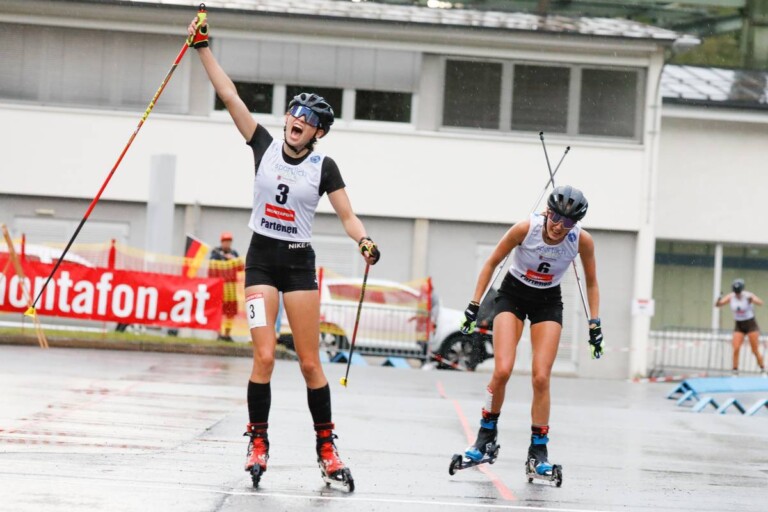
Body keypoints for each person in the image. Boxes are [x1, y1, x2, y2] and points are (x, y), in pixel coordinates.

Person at [187, 16, 380, 491]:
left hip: (297, 264)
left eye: (309, 120)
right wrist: (202, 48)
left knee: (310, 363)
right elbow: (230, 96)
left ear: (318, 133)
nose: (299, 121)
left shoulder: (324, 166)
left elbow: (348, 216)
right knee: (266, 356)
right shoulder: (264, 145)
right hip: (261, 260)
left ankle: (327, 449)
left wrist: (363, 241)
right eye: (295, 113)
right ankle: (258, 441)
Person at [457, 185, 602, 480]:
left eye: (568, 222)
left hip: (548, 301)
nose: (560, 227)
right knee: (502, 370)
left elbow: (591, 282)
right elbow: (492, 262)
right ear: (547, 212)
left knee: (541, 377)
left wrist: (595, 323)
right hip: (513, 295)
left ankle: (538, 452)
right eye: (556, 218)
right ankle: (485, 438)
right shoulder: (525, 228)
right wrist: (474, 304)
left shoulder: (581, 240)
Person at [715, 279, 766, 376]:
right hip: (739, 325)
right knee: (736, 348)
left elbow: (760, 303)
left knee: (754, 349)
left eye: (739, 292)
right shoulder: (731, 296)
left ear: (742, 290)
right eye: (736, 292)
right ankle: (735, 370)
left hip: (751, 324)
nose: (737, 294)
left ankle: (762, 368)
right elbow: (718, 305)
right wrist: (718, 299)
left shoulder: (747, 295)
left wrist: (752, 300)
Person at [208, 231, 244, 342]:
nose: (227, 243)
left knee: (230, 312)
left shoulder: (234, 253)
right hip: (219, 288)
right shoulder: (215, 253)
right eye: (225, 241)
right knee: (219, 311)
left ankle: (227, 335)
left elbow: (241, 267)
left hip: (231, 289)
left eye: (229, 241)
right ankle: (219, 334)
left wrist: (232, 260)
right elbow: (211, 269)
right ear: (221, 242)